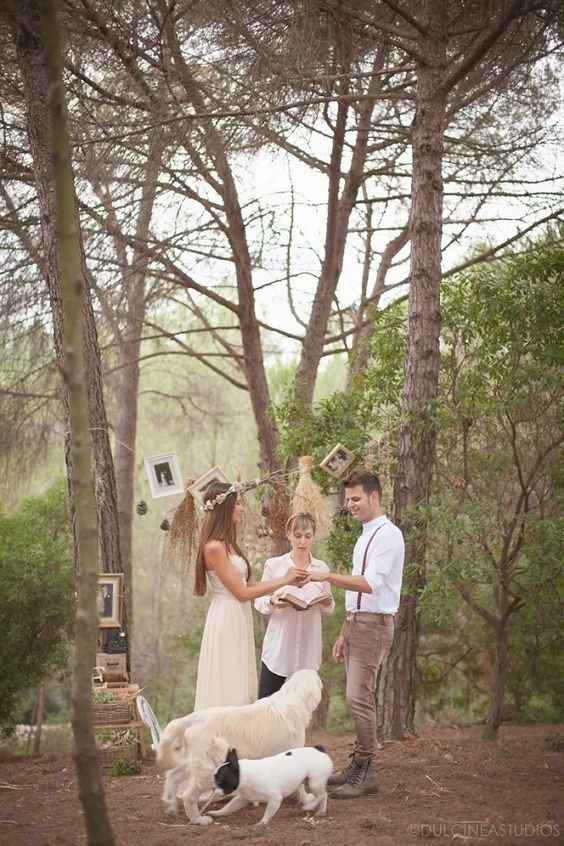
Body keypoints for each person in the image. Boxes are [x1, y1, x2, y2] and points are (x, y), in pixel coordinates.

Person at [303, 469, 404, 799]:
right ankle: (358, 765)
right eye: (347, 500)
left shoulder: (388, 535)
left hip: (375, 626)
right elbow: (359, 594)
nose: (350, 505)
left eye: (356, 499)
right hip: (360, 624)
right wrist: (345, 630)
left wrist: (327, 575)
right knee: (357, 697)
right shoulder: (365, 535)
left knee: (359, 699)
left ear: (375, 497)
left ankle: (367, 772)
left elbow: (369, 584)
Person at [193, 480, 307, 710]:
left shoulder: (229, 544)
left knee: (239, 673)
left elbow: (250, 584)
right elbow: (242, 592)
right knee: (228, 676)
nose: (242, 509)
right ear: (226, 508)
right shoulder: (213, 547)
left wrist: (278, 594)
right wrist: (285, 579)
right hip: (226, 616)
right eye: (238, 504)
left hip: (238, 614)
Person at [255, 512, 335, 698]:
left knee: (300, 713)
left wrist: (326, 601)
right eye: (297, 536)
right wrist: (273, 601)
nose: (302, 542)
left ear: (313, 536)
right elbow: (259, 601)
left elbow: (329, 607)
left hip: (308, 651)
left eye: (307, 536)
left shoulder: (321, 568)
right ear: (288, 534)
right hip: (278, 651)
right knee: (266, 708)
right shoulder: (274, 565)